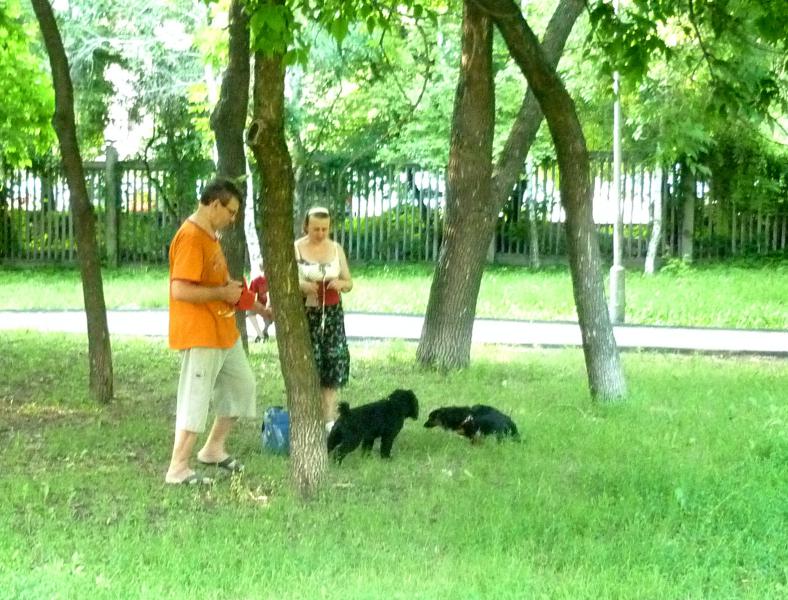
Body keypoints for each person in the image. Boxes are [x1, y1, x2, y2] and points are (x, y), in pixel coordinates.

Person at [165, 178, 256, 485]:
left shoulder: (211, 236)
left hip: (224, 331)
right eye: (231, 211)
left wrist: (252, 303)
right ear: (214, 204)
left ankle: (213, 449)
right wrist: (221, 293)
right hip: (201, 333)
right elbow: (180, 290)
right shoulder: (191, 237)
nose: (233, 219)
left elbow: (219, 284)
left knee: (243, 387)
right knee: (196, 398)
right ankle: (178, 467)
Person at [295, 206, 353, 430]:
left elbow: (349, 281)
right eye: (315, 229)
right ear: (306, 226)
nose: (320, 233)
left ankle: (328, 418)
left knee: (332, 360)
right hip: (307, 312)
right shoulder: (296, 248)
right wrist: (302, 285)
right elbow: (288, 279)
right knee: (311, 361)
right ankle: (306, 415)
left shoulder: (336, 248)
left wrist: (341, 284)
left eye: (325, 229)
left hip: (332, 313)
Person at [247, 264, 273, 342]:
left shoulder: (275, 281)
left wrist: (268, 306)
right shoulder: (256, 281)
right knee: (249, 310)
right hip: (260, 306)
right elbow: (252, 297)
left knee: (272, 313)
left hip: (270, 307)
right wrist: (261, 307)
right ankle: (259, 333)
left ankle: (264, 332)